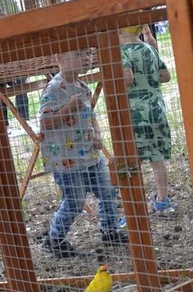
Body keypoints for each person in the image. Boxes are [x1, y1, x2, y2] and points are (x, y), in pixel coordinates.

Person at [39, 49, 129, 259]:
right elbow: (44, 123)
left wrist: (97, 134)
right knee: (75, 200)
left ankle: (110, 231)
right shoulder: (54, 88)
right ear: (59, 57)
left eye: (88, 54)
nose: (86, 58)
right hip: (67, 160)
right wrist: (69, 108)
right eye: (79, 54)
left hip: (89, 155)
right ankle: (54, 239)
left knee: (107, 191)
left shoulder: (83, 87)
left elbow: (92, 117)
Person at [119, 25, 174, 214]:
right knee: (157, 158)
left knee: (134, 160)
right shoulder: (150, 49)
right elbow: (165, 76)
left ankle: (136, 207)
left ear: (119, 32)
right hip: (156, 111)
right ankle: (163, 200)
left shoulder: (122, 52)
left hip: (136, 115)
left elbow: (127, 77)